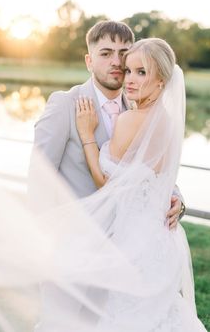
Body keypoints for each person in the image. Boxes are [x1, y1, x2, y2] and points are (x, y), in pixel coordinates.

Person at [74, 37, 207, 331]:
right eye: (129, 70)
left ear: (161, 81)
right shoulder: (171, 123)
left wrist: (86, 135)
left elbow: (106, 183)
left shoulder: (130, 120)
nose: (129, 80)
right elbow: (157, 180)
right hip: (163, 242)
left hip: (132, 244)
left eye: (141, 72)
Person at [29, 20, 184, 228]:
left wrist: (177, 199)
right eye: (105, 53)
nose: (117, 62)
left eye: (123, 53)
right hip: (74, 235)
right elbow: (40, 177)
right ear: (89, 61)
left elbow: (150, 168)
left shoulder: (139, 108)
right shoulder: (65, 104)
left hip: (126, 239)